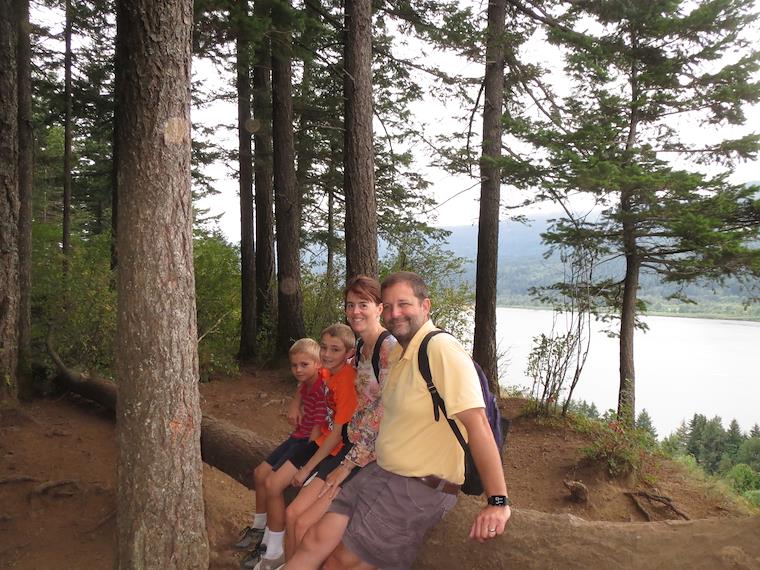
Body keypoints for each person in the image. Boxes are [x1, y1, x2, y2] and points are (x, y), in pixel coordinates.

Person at [304, 271, 511, 570]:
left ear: (425, 306)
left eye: (403, 304)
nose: (394, 313)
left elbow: (478, 424)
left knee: (339, 562)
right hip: (384, 473)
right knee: (319, 540)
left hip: (419, 487)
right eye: (388, 306)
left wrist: (498, 502)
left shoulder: (440, 348)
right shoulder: (400, 352)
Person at [283, 276, 396, 564]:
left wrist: (347, 466)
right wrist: (298, 396)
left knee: (307, 527)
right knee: (298, 520)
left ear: (380, 308)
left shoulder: (389, 349)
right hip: (350, 446)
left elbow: (385, 412)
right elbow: (325, 374)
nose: (355, 311)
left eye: (363, 304)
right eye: (350, 305)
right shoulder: (359, 349)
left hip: (372, 457)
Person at [251, 323, 358, 570]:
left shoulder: (346, 382)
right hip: (318, 441)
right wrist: (295, 401)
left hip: (331, 448)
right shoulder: (328, 370)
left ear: (349, 353)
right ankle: (279, 554)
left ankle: (282, 555)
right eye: (324, 347)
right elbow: (307, 379)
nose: (327, 354)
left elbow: (337, 435)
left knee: (294, 512)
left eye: (335, 349)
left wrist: (307, 468)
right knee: (272, 485)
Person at [233, 338, 328, 555]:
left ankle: (271, 543)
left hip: (309, 444)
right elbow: (302, 386)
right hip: (297, 437)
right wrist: (295, 402)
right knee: (260, 473)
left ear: (318, 364)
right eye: (294, 365)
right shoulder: (307, 382)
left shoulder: (322, 386)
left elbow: (317, 431)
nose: (298, 370)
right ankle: (259, 527)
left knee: (272, 483)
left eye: (304, 365)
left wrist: (307, 465)